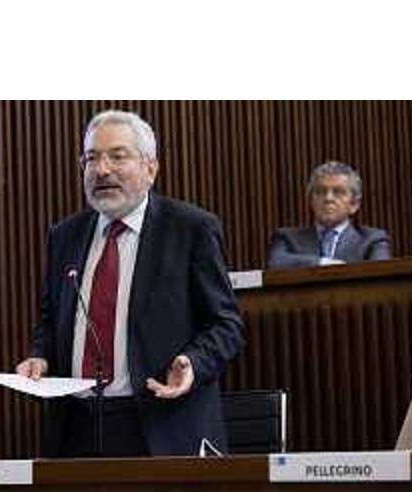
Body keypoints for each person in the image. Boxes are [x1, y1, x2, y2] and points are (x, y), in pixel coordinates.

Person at [16, 110, 244, 458]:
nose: (102, 170)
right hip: (75, 428)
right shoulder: (64, 236)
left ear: (151, 168)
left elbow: (226, 325)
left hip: (159, 425)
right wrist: (40, 357)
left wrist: (192, 362)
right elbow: (51, 321)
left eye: (117, 156)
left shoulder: (190, 229)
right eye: (91, 159)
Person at [267, 161, 392, 269]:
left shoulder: (372, 240)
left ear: (354, 204)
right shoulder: (287, 238)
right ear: (311, 201)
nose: (328, 198)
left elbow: (381, 272)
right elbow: (275, 262)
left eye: (338, 192)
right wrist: (323, 263)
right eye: (320, 192)